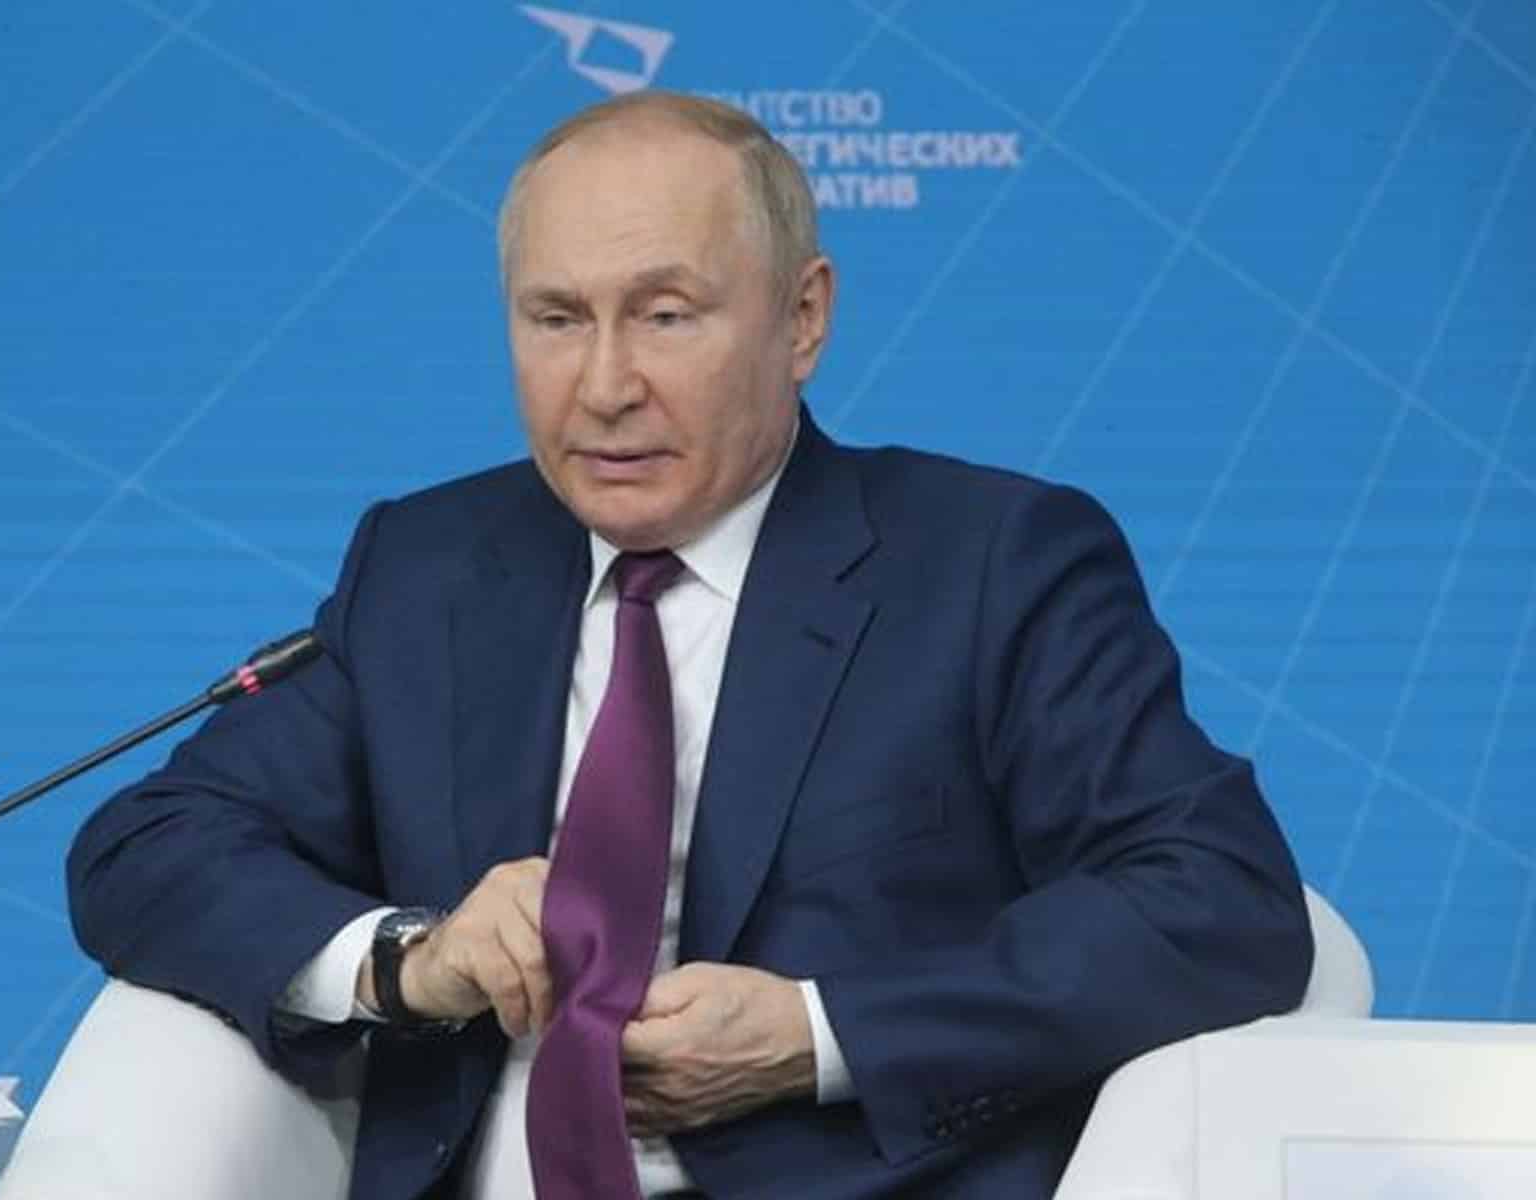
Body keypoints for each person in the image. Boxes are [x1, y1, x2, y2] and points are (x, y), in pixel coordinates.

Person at [67, 91, 1312, 1199]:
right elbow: (147, 848)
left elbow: (1219, 898)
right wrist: (411, 961)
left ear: (803, 319)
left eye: (666, 316)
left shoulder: (991, 564)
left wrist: (820, 1035)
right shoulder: (430, 567)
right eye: (557, 319)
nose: (605, 386)